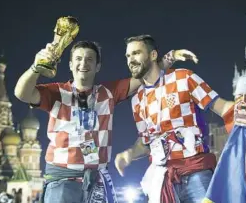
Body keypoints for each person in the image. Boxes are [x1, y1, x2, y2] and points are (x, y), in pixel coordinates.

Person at [14, 39, 196, 203]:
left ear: (97, 66)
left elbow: (144, 76)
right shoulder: (57, 93)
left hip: (96, 182)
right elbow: (22, 94)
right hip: (63, 183)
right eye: (78, 59)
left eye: (89, 59)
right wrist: (36, 68)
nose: (83, 63)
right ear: (70, 64)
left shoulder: (107, 93)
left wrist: (172, 56)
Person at [115, 35, 246, 203]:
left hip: (196, 173)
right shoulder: (137, 100)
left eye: (136, 53)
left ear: (153, 55)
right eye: (128, 56)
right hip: (163, 179)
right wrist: (129, 154)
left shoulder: (184, 78)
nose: (131, 60)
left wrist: (243, 109)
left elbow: (220, 106)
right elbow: (145, 142)